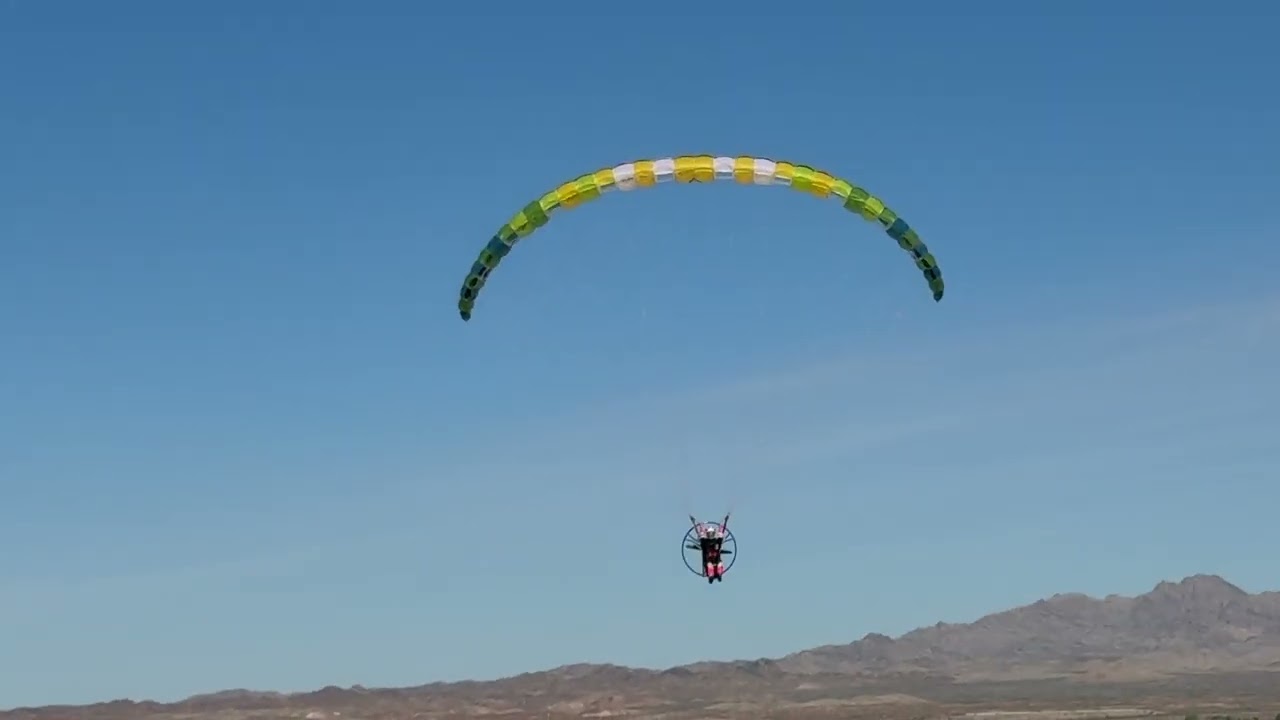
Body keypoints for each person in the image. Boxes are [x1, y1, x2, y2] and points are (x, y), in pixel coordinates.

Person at [690, 514, 730, 583]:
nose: (710, 535)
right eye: (709, 533)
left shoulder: (718, 541)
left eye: (712, 533)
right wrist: (694, 522)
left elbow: (721, 531)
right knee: (709, 565)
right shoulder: (704, 542)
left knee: (719, 564)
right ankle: (711, 575)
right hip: (708, 562)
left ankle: (719, 574)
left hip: (717, 560)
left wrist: (726, 521)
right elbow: (700, 532)